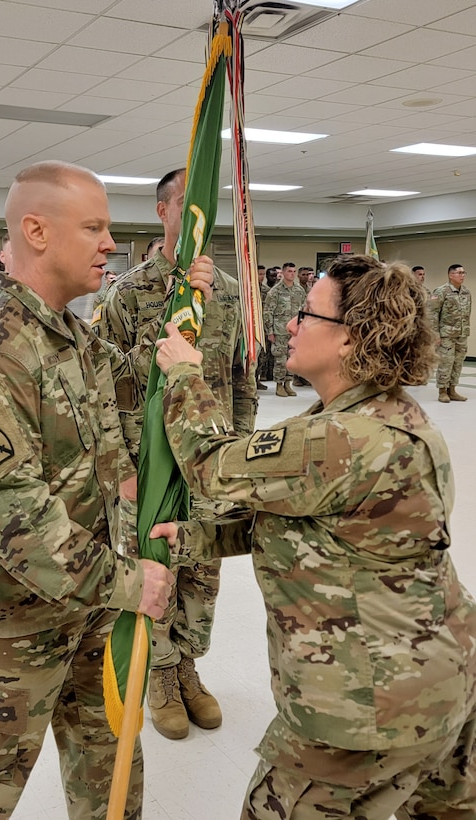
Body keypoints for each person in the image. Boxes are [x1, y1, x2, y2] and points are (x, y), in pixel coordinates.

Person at [0, 160, 207, 819]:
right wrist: (130, 585)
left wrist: (181, 298)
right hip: (4, 628)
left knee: (109, 768)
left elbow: (132, 390)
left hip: (86, 606)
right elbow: (16, 521)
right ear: (37, 231)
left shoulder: (66, 330)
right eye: (94, 227)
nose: (110, 243)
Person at [153, 254, 476, 819]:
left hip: (362, 712)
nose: (289, 325)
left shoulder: (338, 440)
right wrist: (188, 540)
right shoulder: (394, 415)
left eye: (306, 314)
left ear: (351, 340)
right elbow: (303, 524)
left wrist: (184, 372)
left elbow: (209, 463)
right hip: (444, 686)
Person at [94, 167, 257, 740]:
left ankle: (188, 664)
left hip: (209, 462)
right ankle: (157, 671)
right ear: (163, 211)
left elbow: (241, 380)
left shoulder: (231, 293)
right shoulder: (127, 293)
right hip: (149, 465)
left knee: (203, 570)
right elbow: (103, 390)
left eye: (210, 205)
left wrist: (240, 457)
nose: (200, 216)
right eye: (189, 204)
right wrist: (120, 469)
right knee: (155, 567)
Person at [263, 261, 306, 397]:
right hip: (279, 330)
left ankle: (288, 383)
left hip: (295, 331)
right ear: (283, 272)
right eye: (289, 271)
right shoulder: (275, 291)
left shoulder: (299, 291)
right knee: (280, 359)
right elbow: (268, 312)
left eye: (294, 271)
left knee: (291, 358)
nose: (292, 274)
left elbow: (304, 310)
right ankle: (279, 384)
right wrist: (269, 331)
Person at [430, 263, 471, 403]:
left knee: (458, 362)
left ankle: (452, 390)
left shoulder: (466, 292)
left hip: (461, 333)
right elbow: (433, 314)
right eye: (459, 273)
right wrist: (435, 334)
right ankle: (442, 391)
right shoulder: (441, 291)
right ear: (450, 275)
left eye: (464, 273)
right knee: (446, 362)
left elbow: (467, 314)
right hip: (446, 334)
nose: (462, 275)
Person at [256, 263, 271, 390]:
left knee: (262, 355)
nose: (262, 277)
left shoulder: (267, 291)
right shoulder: (245, 290)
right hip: (250, 327)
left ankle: (257, 379)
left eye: (263, 274)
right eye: (260, 274)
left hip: (263, 327)